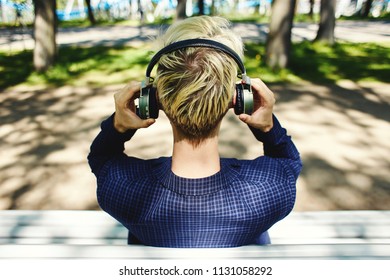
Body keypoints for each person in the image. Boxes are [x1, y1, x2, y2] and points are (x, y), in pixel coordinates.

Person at [88, 16, 302, 248]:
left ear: (155, 99)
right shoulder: (268, 189)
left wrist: (118, 126)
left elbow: (102, 158)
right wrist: (268, 128)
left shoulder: (123, 188)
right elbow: (288, 163)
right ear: (237, 99)